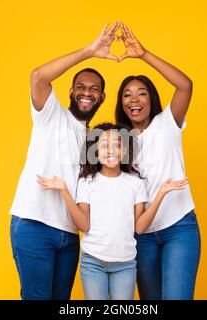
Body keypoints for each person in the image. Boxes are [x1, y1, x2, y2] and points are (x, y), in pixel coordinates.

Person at [9, 22, 122, 300]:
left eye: (94, 89)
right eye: (80, 87)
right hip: (34, 224)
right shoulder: (52, 116)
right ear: (71, 92)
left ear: (102, 96)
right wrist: (90, 51)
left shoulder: (96, 142)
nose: (87, 92)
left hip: (70, 235)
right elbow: (38, 76)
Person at [36, 123, 188, 300]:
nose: (111, 151)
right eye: (104, 146)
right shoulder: (86, 183)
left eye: (116, 145)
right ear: (94, 151)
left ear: (124, 150)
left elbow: (139, 227)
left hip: (125, 265)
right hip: (93, 263)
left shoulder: (136, 184)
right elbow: (84, 225)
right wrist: (64, 191)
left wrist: (161, 193)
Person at [115, 23, 201, 300]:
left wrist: (143, 54)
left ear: (151, 98)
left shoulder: (168, 123)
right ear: (122, 104)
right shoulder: (117, 141)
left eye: (141, 92)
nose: (134, 99)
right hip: (140, 235)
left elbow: (185, 85)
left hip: (179, 227)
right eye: (127, 94)